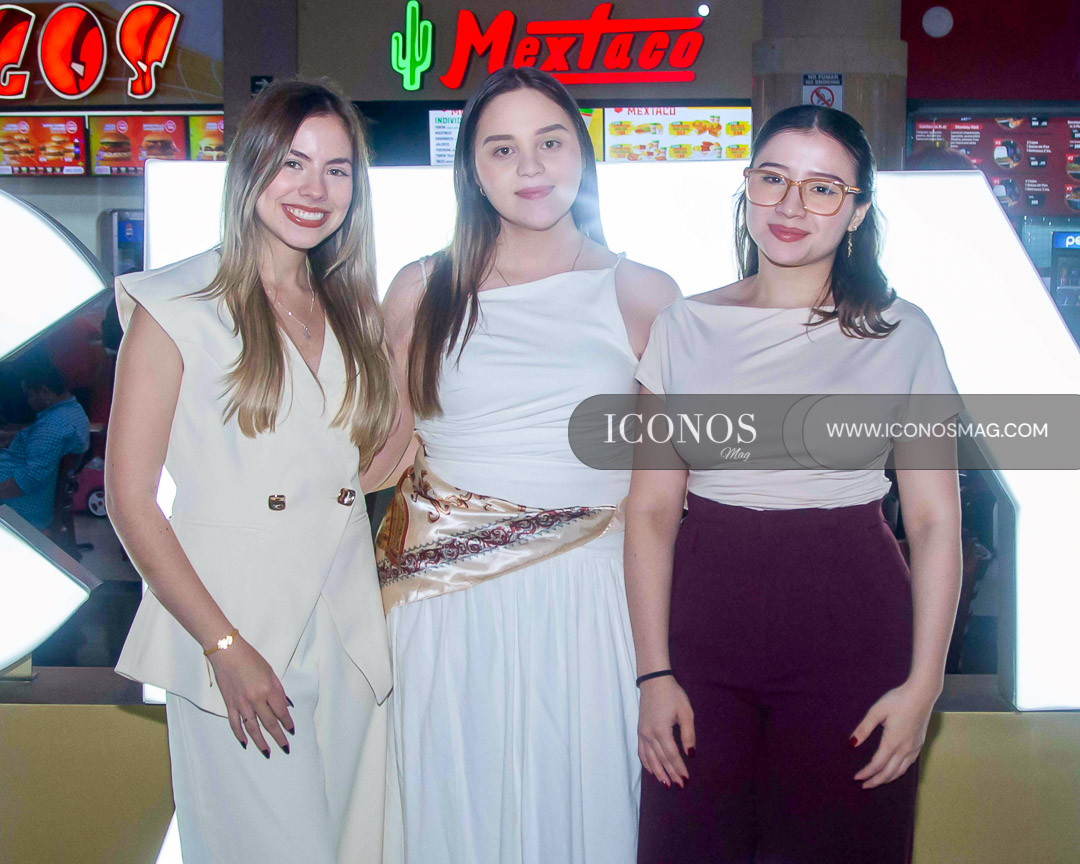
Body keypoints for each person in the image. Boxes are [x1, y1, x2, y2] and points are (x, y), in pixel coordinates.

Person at [628, 105, 963, 864]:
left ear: (858, 211)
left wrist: (924, 686)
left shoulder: (902, 331)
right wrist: (652, 673)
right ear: (746, 187)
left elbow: (934, 521)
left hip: (854, 630)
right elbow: (649, 510)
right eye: (773, 178)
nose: (790, 205)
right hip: (702, 635)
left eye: (822, 188)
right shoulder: (683, 326)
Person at [361, 66, 678, 864]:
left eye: (550, 142)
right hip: (444, 605)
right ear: (472, 168)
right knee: (449, 816)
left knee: (588, 814)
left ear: (582, 154)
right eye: (502, 149)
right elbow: (380, 456)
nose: (529, 167)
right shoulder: (421, 288)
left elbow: (674, 493)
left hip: (593, 603)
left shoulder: (645, 293)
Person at [105, 79, 397, 863]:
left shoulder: (355, 311)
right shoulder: (176, 303)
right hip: (234, 625)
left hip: (348, 625)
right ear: (251, 167)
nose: (314, 189)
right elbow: (130, 500)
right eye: (293, 163)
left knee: (352, 848)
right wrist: (224, 646)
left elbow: (373, 466)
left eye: (336, 169)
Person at [0, 361, 89, 530]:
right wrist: (12, 437)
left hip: (24, 507)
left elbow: (29, 479)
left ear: (44, 391)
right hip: (34, 494)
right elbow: (40, 443)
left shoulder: (53, 427)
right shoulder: (72, 411)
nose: (28, 402)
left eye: (29, 395)